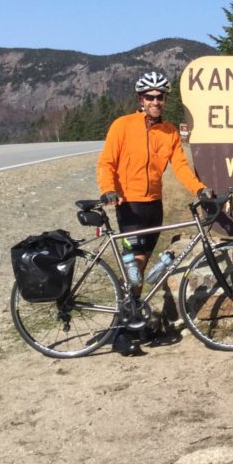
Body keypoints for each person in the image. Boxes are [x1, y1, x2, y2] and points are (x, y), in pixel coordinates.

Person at [97, 70, 208, 302]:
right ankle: (126, 320)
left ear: (165, 99)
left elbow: (180, 167)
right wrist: (108, 189)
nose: (155, 101)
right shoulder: (123, 125)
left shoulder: (169, 132)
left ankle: (131, 310)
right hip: (129, 205)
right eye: (150, 97)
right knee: (135, 268)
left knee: (143, 263)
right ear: (141, 99)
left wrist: (199, 189)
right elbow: (107, 162)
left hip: (154, 205)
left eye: (160, 97)